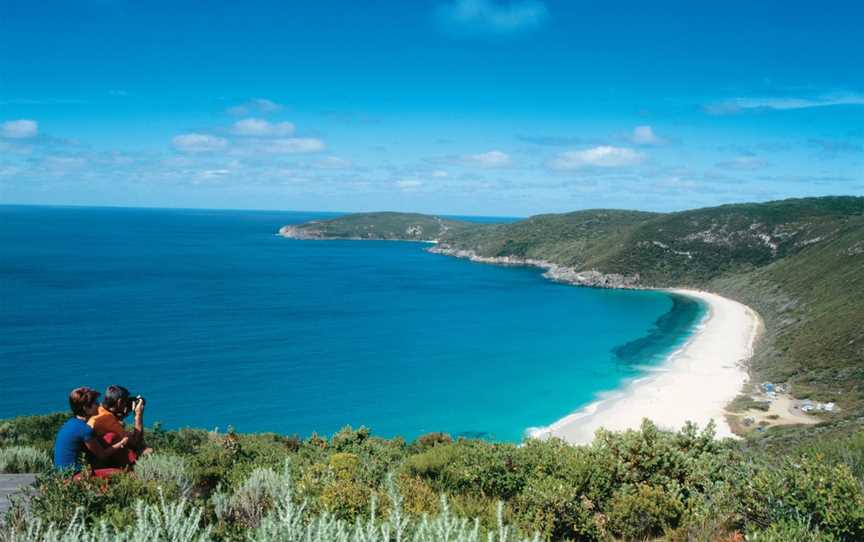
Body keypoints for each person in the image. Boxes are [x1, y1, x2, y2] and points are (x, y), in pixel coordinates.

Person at [53, 387, 129, 475]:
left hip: (61, 475)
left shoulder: (71, 423)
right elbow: (102, 455)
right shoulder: (84, 429)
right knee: (122, 474)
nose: (98, 405)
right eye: (95, 403)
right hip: (73, 476)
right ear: (86, 408)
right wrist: (122, 442)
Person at [88, 385, 150, 467]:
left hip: (95, 456)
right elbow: (136, 442)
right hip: (106, 461)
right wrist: (138, 415)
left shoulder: (97, 410)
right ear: (119, 402)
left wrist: (121, 415)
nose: (126, 404)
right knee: (149, 451)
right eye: (125, 402)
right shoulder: (108, 420)